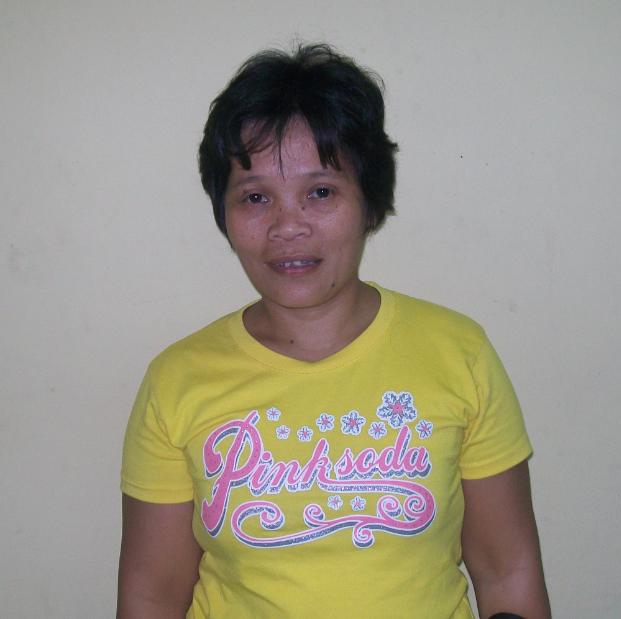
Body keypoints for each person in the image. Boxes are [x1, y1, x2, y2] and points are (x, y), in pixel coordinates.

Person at [117, 43, 550, 619]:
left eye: (320, 192)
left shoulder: (459, 352)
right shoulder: (177, 379)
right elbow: (151, 596)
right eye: (255, 197)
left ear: (369, 202)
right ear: (224, 214)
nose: (287, 226)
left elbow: (508, 573)